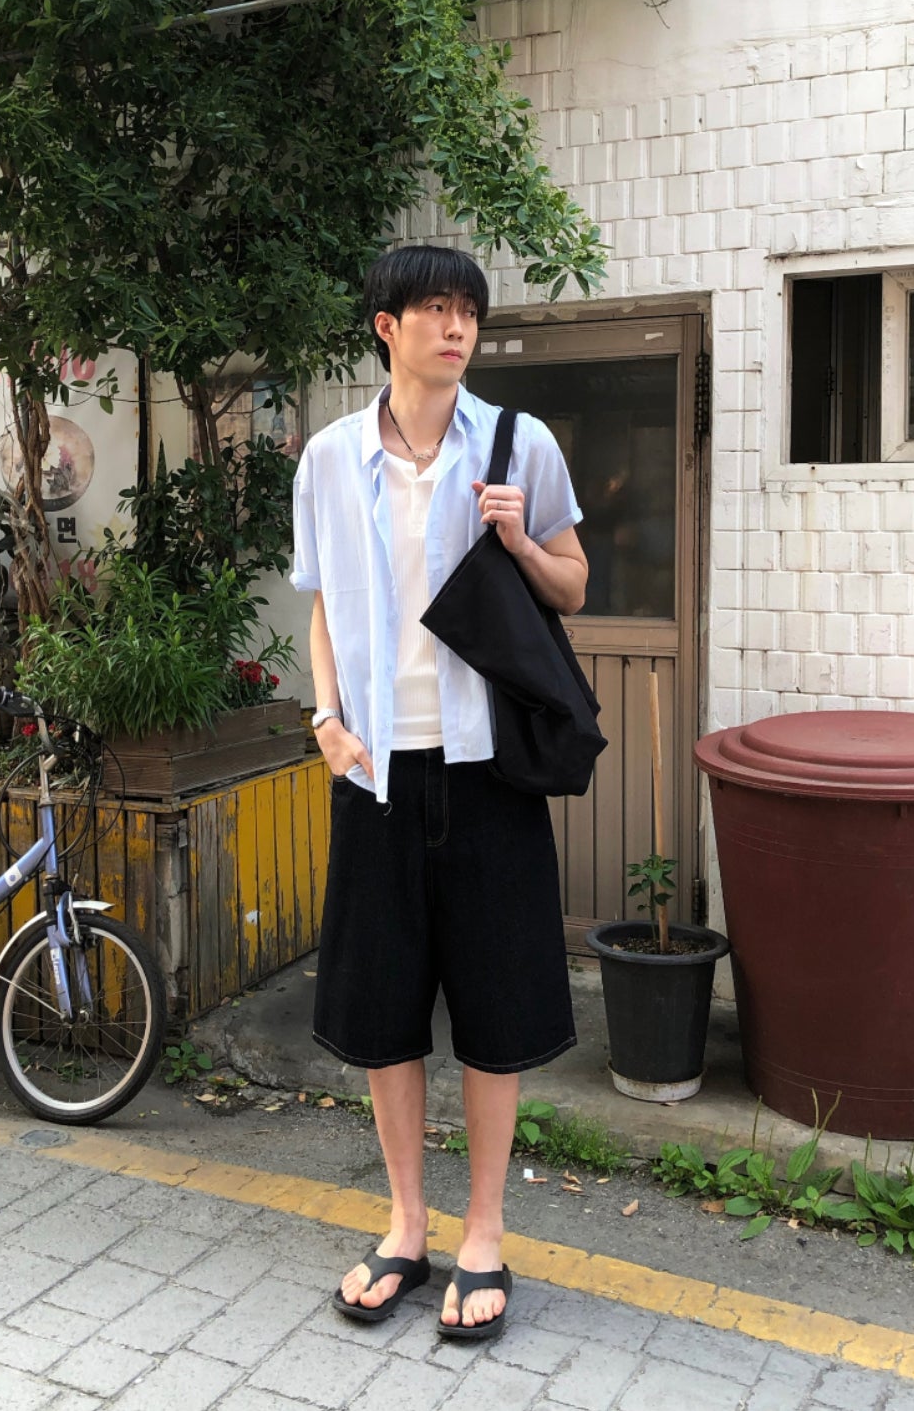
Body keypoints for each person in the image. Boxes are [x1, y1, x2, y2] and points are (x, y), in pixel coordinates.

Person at [290, 243, 589, 1341]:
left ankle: (486, 1232)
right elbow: (321, 601)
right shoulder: (328, 457)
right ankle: (408, 1224)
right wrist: (326, 720)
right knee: (384, 1011)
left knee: (497, 1007)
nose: (456, 327)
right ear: (387, 325)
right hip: (376, 770)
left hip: (488, 770)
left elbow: (573, 583)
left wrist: (517, 535)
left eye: (468, 311)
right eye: (434, 308)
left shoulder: (520, 443)